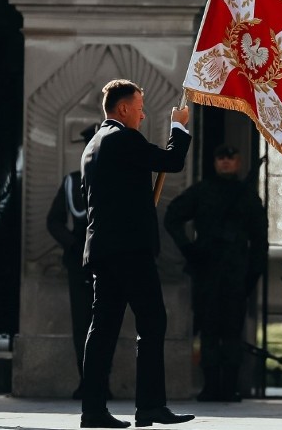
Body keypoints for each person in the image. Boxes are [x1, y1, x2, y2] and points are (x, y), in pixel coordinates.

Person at [79, 79, 194, 429]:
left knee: (103, 329)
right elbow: (172, 162)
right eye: (140, 107)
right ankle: (150, 406)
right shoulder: (121, 138)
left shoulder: (94, 144)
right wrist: (179, 125)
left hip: (105, 250)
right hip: (129, 250)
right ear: (124, 108)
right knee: (152, 321)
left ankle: (93, 410)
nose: (144, 115)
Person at [164, 144, 268, 402]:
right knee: (208, 330)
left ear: (239, 162)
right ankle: (210, 386)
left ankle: (230, 386)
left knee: (232, 330)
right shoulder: (202, 191)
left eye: (231, 158)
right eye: (220, 157)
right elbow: (173, 216)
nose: (225, 162)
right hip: (207, 270)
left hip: (235, 273)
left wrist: (252, 273)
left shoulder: (248, 197)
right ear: (214, 161)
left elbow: (260, 240)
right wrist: (189, 249)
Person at [46, 124, 112, 401]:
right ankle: (86, 382)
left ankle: (102, 383)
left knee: (106, 323)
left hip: (110, 258)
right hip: (79, 260)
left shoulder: (118, 179)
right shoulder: (73, 181)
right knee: (82, 323)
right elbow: (54, 221)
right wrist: (73, 244)